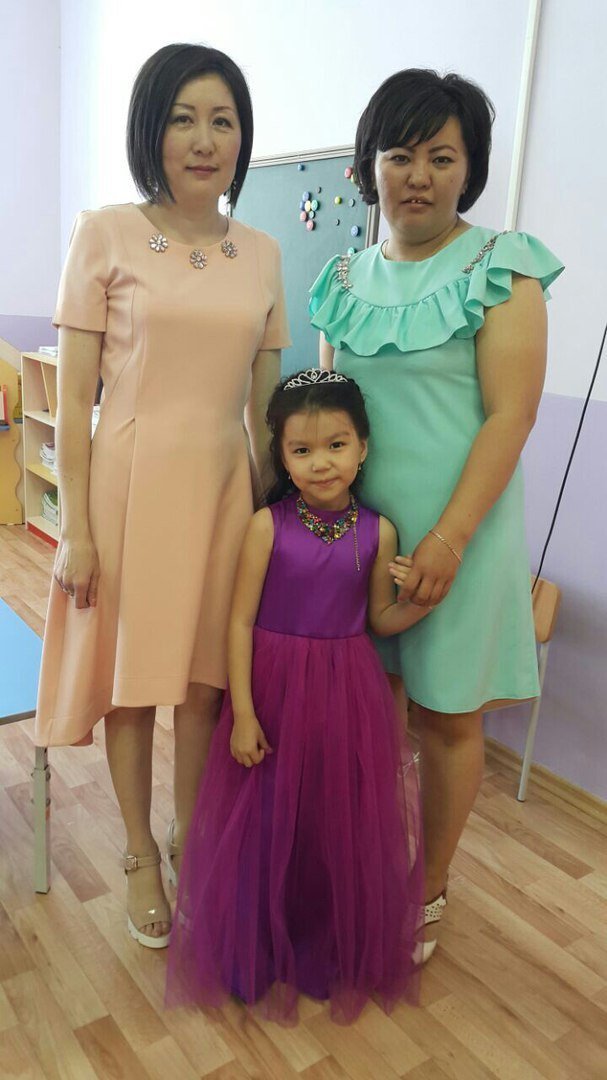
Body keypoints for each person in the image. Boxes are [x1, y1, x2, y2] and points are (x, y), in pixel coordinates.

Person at [35, 43, 290, 949]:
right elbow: (72, 401)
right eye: (183, 118)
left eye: (222, 120)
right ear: (152, 130)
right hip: (129, 484)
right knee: (135, 686)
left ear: (241, 138)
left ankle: (193, 834)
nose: (204, 139)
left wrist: (280, 515)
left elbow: (264, 406)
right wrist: (76, 529)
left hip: (224, 486)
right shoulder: (104, 233)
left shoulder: (261, 254)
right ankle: (139, 852)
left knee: (206, 682)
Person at [309, 68, 564, 954]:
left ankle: (428, 884)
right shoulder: (343, 277)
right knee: (365, 711)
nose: (418, 175)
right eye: (399, 154)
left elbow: (510, 417)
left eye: (441, 157)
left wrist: (449, 539)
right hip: (360, 540)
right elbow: (328, 416)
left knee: (447, 716)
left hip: (461, 535)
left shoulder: (501, 266)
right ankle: (367, 853)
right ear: (368, 167)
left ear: (469, 169)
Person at [166, 369, 431, 1024]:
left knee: (327, 819)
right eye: (302, 450)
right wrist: (243, 713)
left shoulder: (379, 532)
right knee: (264, 817)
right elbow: (238, 622)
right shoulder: (266, 526)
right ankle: (254, 943)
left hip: (346, 692)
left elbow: (379, 620)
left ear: (363, 446)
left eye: (336, 445)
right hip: (274, 690)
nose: (321, 463)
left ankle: (319, 942)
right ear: (281, 457)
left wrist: (418, 603)